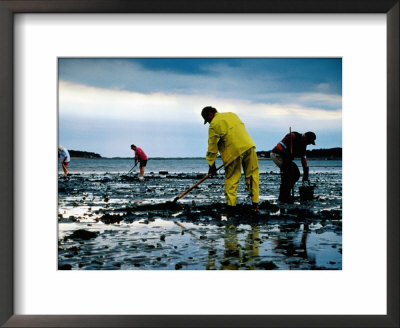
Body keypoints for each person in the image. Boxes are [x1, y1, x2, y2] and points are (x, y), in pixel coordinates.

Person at [201, 106, 259, 215]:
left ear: (210, 115)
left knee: (231, 179)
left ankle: (231, 207)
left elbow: (212, 147)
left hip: (233, 152)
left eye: (207, 120)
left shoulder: (214, 124)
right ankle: (255, 205)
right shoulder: (232, 114)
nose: (208, 123)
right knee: (252, 176)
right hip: (249, 146)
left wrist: (211, 165)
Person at [270, 131, 316, 202]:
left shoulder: (304, 145)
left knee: (296, 174)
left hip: (287, 158)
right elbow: (279, 146)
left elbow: (303, 159)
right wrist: (286, 153)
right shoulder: (292, 136)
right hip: (277, 155)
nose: (309, 144)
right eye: (309, 142)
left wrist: (305, 174)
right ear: (306, 138)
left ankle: (286, 194)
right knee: (287, 173)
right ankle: (283, 196)